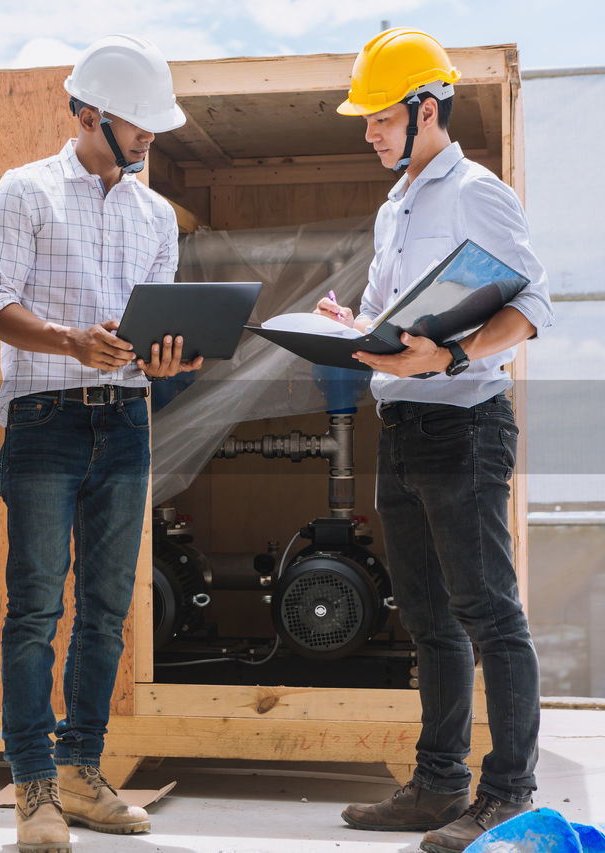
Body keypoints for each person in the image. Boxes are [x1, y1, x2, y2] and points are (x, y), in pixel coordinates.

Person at [314, 28, 553, 853]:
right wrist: (348, 326)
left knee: (489, 611)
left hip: (465, 423)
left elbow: (532, 306)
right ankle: (440, 782)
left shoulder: (476, 191)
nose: (369, 133)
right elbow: (389, 311)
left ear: (425, 109)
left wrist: (450, 351)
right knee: (425, 614)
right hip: (405, 425)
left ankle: (509, 794)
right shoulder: (396, 204)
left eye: (379, 117)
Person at [0, 33, 200, 853]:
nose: (148, 138)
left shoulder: (156, 215)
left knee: (106, 612)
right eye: (136, 124)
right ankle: (34, 785)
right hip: (44, 420)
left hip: (127, 420)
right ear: (88, 115)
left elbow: (161, 323)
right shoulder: (23, 192)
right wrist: (71, 342)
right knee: (36, 608)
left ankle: (81, 771)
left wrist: (175, 355)